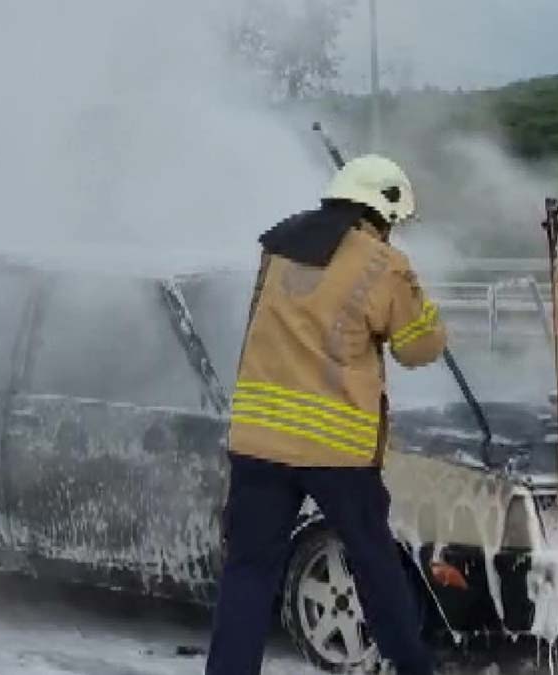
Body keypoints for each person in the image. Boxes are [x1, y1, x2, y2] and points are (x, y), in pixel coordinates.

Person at [205, 155, 446, 675]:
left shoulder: (279, 247)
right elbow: (420, 347)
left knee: (247, 572)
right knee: (375, 568)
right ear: (382, 214)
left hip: (259, 441)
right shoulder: (384, 263)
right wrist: (419, 302)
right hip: (336, 449)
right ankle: (413, 669)